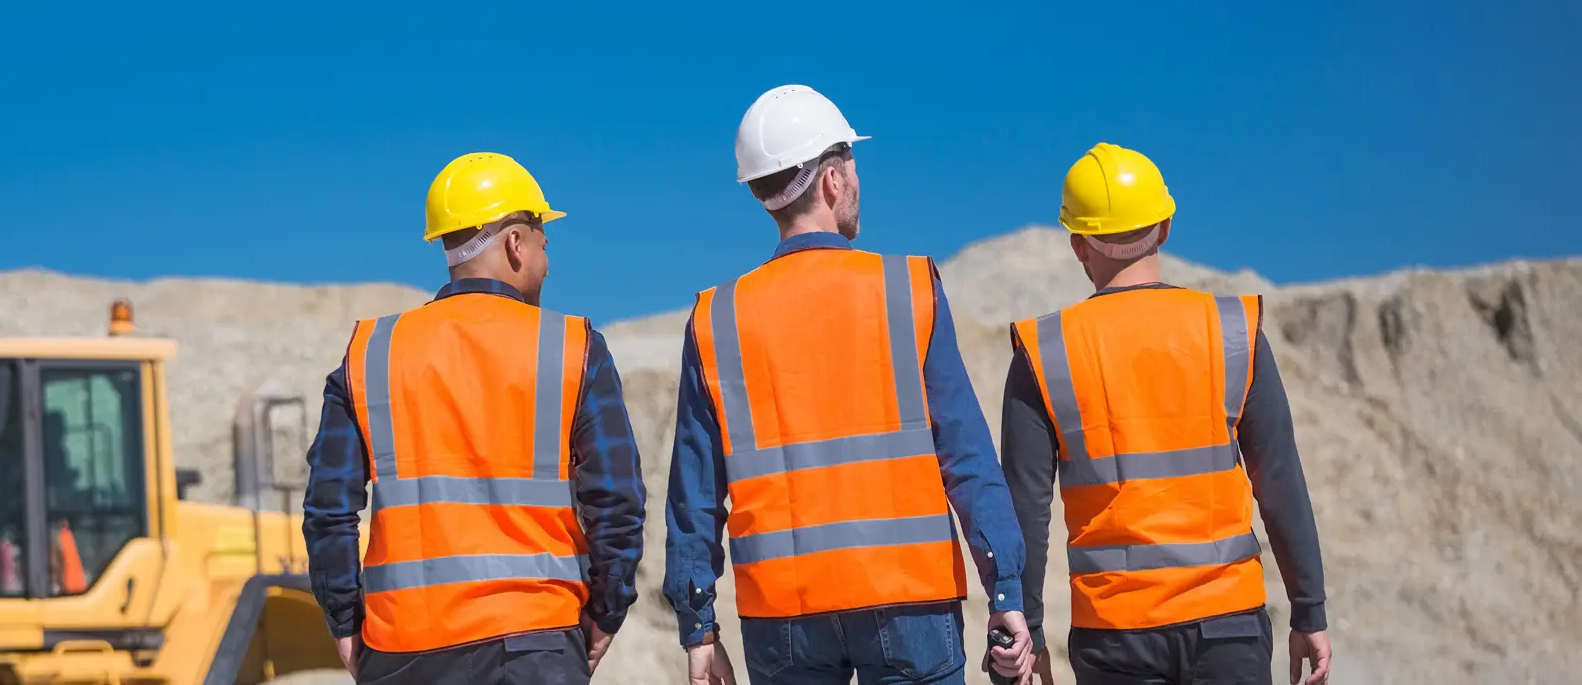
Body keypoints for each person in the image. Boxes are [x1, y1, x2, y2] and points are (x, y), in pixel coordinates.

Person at [663, 84, 1033, 685]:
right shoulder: (904, 289)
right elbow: (965, 455)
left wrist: (698, 629)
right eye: (852, 163)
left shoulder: (717, 317)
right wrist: (1006, 589)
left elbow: (695, 494)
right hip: (908, 598)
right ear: (832, 181)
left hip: (782, 614)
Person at [301, 152, 648, 684]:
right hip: (536, 646)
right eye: (542, 243)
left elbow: (328, 509)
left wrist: (344, 622)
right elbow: (617, 501)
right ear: (515, 243)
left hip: (404, 652)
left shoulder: (372, 353)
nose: (546, 261)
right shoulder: (571, 347)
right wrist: (606, 612)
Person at [999, 142, 1333, 685]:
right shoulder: (1232, 331)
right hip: (1229, 625)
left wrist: (1029, 633)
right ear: (1168, 226)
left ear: (1078, 244)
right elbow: (1279, 480)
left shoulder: (1044, 351)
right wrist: (1309, 610)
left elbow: (1025, 511)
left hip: (1114, 635)